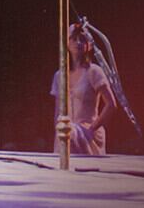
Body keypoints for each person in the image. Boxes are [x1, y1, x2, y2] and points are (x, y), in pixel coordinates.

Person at [51, 23, 118, 156]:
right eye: (74, 39)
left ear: (89, 44)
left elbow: (111, 105)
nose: (78, 43)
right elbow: (57, 110)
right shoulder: (60, 75)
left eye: (82, 39)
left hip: (89, 134)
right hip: (67, 133)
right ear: (67, 43)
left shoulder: (93, 71)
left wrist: (92, 129)